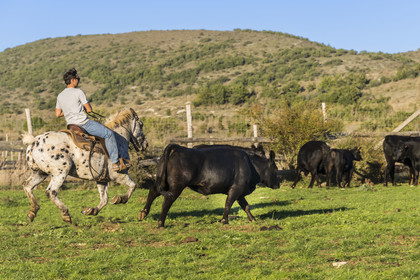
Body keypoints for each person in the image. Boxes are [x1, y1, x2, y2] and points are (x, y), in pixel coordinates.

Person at [55, 68, 121, 171]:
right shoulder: (78, 92)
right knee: (109, 134)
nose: (78, 81)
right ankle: (115, 162)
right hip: (83, 124)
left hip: (70, 126)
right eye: (78, 78)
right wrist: (83, 108)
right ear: (72, 80)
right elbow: (89, 110)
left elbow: (58, 114)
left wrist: (69, 111)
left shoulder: (60, 95)